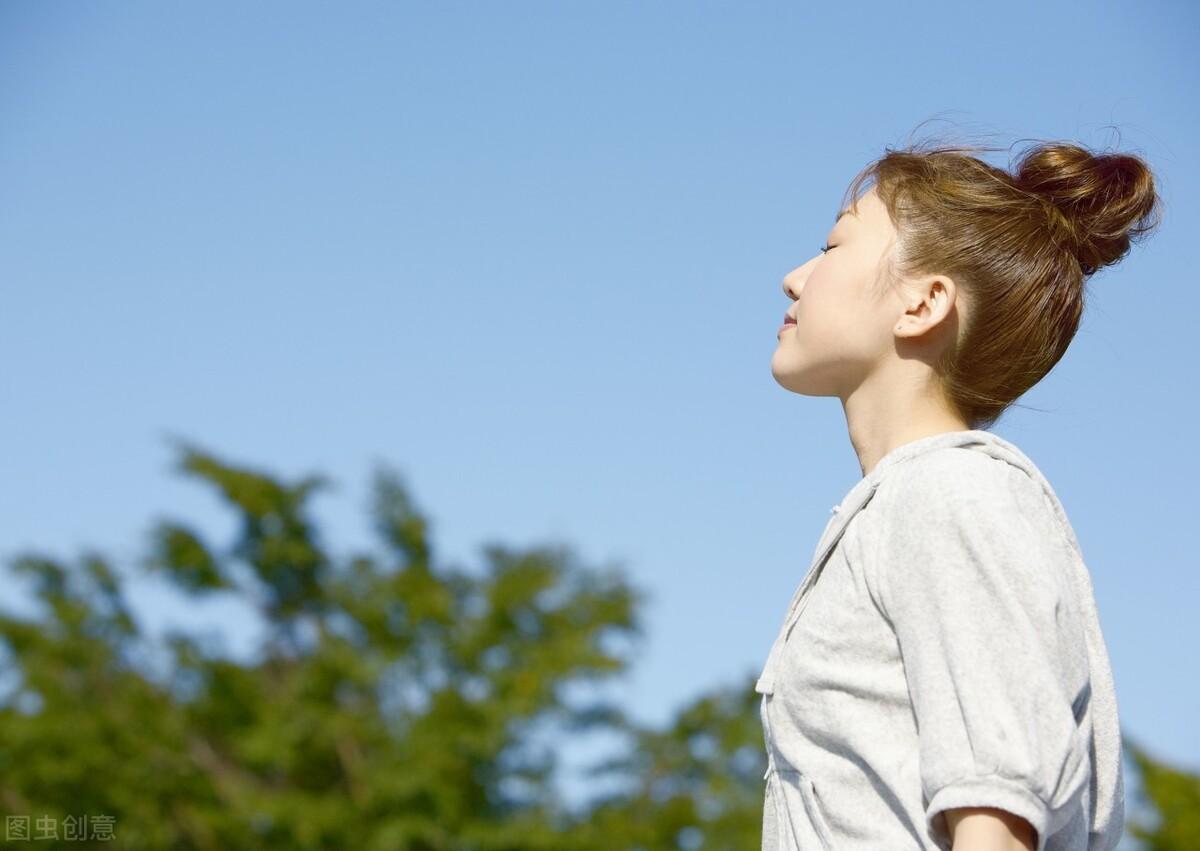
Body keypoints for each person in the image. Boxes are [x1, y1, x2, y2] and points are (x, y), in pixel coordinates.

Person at [760, 134, 1162, 851]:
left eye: (831, 247)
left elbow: (998, 819)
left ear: (923, 303)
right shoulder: (913, 503)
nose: (794, 277)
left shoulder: (953, 492)